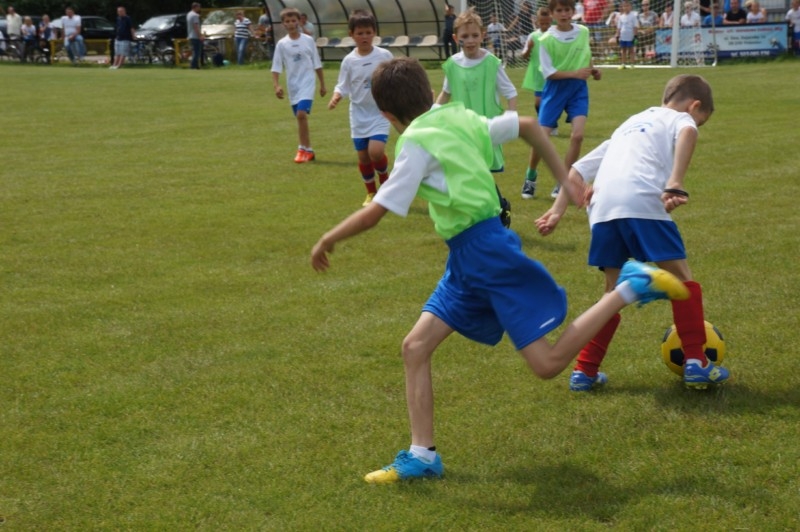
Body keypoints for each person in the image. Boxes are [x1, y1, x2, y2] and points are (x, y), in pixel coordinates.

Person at [310, 56, 690, 484]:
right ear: (429, 92)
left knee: (546, 364)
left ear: (385, 115)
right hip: (468, 255)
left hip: (485, 255)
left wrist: (328, 238)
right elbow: (527, 125)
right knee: (415, 346)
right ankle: (423, 456)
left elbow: (377, 210)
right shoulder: (456, 117)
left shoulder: (415, 141)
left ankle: (629, 286)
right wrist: (565, 178)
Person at [535, 74, 730, 392]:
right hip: (642, 201)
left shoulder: (629, 124)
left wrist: (557, 211)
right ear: (694, 106)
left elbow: (577, 171)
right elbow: (688, 130)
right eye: (700, 119)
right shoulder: (680, 119)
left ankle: (584, 371)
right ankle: (696, 361)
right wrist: (676, 181)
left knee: (612, 294)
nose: (696, 124)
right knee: (683, 281)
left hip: (602, 211)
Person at [435, 7, 517, 225]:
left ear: (483, 35)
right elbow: (446, 93)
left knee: (481, 171)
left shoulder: (492, 63)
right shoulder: (453, 64)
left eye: (474, 35)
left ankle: (499, 208)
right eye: (465, 36)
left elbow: (510, 92)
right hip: (462, 129)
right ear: (456, 38)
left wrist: (510, 118)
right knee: (471, 172)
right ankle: (488, 211)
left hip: (486, 128)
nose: (470, 40)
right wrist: (432, 113)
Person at [520, 0, 601, 200]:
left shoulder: (583, 31)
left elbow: (586, 55)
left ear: (573, 11)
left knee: (578, 136)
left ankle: (563, 182)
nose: (563, 14)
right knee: (541, 138)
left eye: (567, 10)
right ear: (552, 13)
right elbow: (548, 73)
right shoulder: (546, 39)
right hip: (554, 90)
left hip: (578, 90)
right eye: (559, 10)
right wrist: (575, 73)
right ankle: (530, 176)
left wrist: (593, 70)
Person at [328, 10, 394, 206]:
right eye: (360, 33)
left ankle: (385, 182)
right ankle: (371, 192)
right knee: (364, 158)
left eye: (368, 32)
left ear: (374, 32)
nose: (364, 37)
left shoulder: (384, 55)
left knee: (376, 152)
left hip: (380, 112)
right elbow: (343, 85)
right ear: (351, 34)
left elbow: (394, 76)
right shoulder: (349, 61)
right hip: (358, 114)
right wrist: (336, 96)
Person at [272, 8, 327, 164]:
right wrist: (276, 86)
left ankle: (301, 149)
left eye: (293, 20)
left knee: (301, 114)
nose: (291, 24)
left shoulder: (308, 40)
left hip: (307, 83)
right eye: (287, 21)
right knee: (300, 118)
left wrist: (322, 84)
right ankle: (307, 150)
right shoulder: (282, 44)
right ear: (283, 24)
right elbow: (276, 66)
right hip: (293, 86)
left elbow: (317, 63)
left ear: (299, 22)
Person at [521, 7, 553, 199]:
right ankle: (547, 122)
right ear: (537, 22)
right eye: (542, 23)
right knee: (538, 102)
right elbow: (523, 55)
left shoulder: (554, 35)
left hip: (553, 76)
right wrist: (529, 48)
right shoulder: (533, 36)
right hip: (538, 74)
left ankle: (549, 123)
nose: (545, 26)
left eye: (548, 23)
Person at [615, 0, 639, 68]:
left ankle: (632, 64)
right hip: (623, 36)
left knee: (631, 50)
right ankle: (623, 64)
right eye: (624, 6)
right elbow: (619, 27)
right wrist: (617, 35)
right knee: (623, 50)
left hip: (630, 36)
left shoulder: (633, 16)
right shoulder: (621, 17)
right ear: (622, 7)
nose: (626, 7)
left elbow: (635, 26)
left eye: (627, 6)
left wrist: (635, 36)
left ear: (630, 7)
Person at [187, 2, 204, 69]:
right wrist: (200, 36)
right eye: (199, 7)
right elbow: (196, 26)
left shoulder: (189, 14)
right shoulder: (195, 15)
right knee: (197, 52)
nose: (200, 8)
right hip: (195, 36)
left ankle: (197, 66)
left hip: (190, 35)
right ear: (195, 7)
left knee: (194, 51)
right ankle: (193, 66)